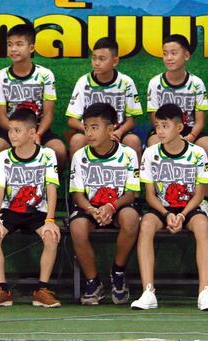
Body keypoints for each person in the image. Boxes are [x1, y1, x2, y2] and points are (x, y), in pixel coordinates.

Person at [131, 103, 208, 311]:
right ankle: (148, 291)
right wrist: (167, 213)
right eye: (158, 126)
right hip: (162, 208)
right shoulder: (151, 153)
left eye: (165, 126)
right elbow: (150, 196)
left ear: (179, 128)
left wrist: (183, 214)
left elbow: (199, 194)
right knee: (146, 226)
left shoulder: (198, 153)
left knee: (202, 226)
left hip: (190, 207)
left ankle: (204, 292)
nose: (160, 131)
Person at [0, 108, 61, 308]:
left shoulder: (47, 155)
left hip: (38, 212)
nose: (12, 135)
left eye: (17, 130)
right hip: (11, 210)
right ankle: (2, 290)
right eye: (10, 130)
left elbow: (51, 189)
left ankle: (42, 290)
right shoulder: (4, 157)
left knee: (51, 237)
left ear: (32, 133)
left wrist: (50, 220)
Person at [68, 102, 140, 306]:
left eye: (95, 127)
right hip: (90, 207)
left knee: (131, 218)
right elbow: (77, 194)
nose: (89, 133)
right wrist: (91, 209)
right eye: (86, 127)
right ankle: (93, 282)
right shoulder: (80, 156)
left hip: (118, 205)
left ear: (111, 129)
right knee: (77, 227)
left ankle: (118, 272)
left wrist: (111, 207)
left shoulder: (128, 154)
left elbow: (131, 193)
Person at [145, 34, 208, 216]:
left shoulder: (196, 83)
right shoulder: (155, 83)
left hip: (189, 130)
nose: (168, 58)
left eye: (173, 53)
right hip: (163, 129)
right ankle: (158, 200)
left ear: (186, 56)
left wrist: (191, 137)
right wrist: (168, 135)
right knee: (154, 145)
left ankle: (203, 200)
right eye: (165, 53)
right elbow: (154, 120)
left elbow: (200, 120)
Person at [0, 23, 67, 174]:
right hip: (9, 129)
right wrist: (17, 133)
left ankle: (46, 192)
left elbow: (49, 113)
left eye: (19, 44)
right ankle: (2, 191)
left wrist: (37, 134)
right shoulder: (0, 77)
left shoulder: (45, 75)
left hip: (38, 129)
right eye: (10, 45)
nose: (13, 49)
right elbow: (1, 116)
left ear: (31, 48)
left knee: (59, 150)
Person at [67, 37, 143, 159]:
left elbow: (131, 120)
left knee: (133, 141)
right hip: (90, 132)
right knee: (77, 140)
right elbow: (72, 120)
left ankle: (135, 178)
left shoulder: (126, 82)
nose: (96, 63)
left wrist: (119, 132)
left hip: (116, 132)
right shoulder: (83, 82)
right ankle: (75, 177)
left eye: (102, 59)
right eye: (94, 58)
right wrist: (90, 131)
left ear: (115, 61)